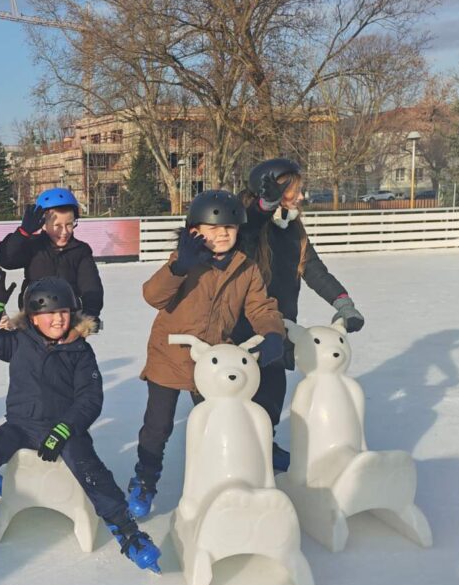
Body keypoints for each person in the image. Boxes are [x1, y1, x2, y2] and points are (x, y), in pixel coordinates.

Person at [0, 273, 161, 572]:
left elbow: (90, 399)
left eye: (63, 312)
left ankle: (127, 531)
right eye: (48, 314)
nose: (58, 320)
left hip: (65, 430)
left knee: (90, 470)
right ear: (32, 319)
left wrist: (64, 429)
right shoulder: (20, 342)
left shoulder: (80, 351)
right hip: (20, 426)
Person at [128, 190, 285, 518]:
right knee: (158, 426)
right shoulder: (183, 262)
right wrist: (179, 269)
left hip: (213, 361)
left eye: (229, 228)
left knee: (223, 421)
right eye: (213, 228)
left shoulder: (246, 268)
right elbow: (151, 296)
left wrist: (272, 332)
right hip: (169, 356)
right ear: (194, 231)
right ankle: (144, 480)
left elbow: (260, 306)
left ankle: (227, 475)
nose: (222, 234)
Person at [235, 159, 366, 471]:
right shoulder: (245, 224)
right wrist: (262, 209)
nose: (303, 197)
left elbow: (315, 270)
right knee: (239, 395)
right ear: (272, 193)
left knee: (271, 395)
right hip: (240, 327)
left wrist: (343, 302)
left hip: (279, 326)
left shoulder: (293, 230)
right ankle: (236, 452)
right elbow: (245, 237)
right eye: (294, 191)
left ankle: (264, 446)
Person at [0, 187, 104, 322]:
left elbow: (91, 288)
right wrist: (22, 233)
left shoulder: (80, 251)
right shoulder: (34, 246)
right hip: (34, 320)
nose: (64, 232)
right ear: (44, 224)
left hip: (67, 321)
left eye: (69, 224)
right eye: (58, 225)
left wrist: (87, 319)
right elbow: (5, 259)